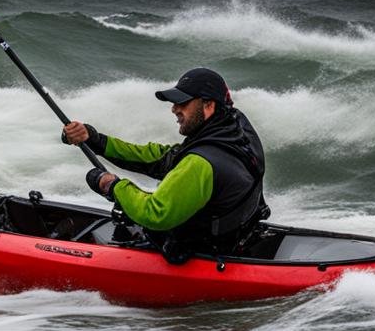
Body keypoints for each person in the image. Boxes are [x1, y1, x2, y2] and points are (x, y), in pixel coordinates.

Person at [62, 68, 268, 263]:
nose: (174, 109)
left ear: (208, 105)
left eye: (183, 103)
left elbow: (155, 214)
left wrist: (111, 186)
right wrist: (96, 140)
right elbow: (160, 158)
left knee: (134, 213)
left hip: (204, 252)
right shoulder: (235, 129)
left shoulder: (200, 163)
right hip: (239, 235)